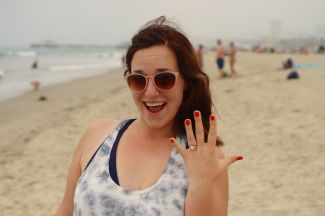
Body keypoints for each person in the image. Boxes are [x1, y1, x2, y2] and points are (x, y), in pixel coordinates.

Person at [56, 16, 242, 216]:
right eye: (138, 80)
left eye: (164, 79)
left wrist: (200, 186)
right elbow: (65, 211)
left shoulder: (205, 157)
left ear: (186, 82)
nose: (151, 92)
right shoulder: (97, 135)